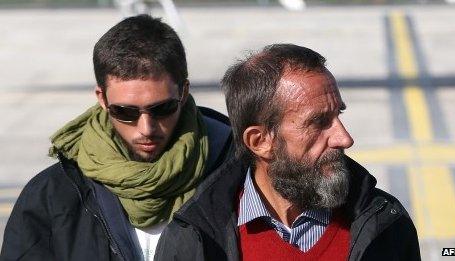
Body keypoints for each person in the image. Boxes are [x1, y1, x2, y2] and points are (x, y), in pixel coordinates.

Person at [155, 44, 421, 260]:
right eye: (317, 122)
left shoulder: (385, 224)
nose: (344, 139)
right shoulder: (195, 239)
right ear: (259, 141)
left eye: (337, 114)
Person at [0, 15, 233, 261]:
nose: (146, 128)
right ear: (102, 99)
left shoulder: (237, 177)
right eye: (125, 112)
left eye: (162, 109)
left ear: (184, 92)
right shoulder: (52, 196)